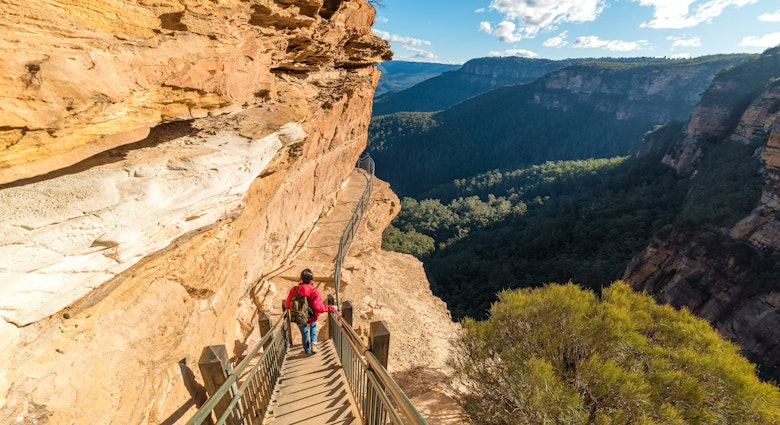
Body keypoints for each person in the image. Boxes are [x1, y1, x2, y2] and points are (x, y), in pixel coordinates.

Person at [284, 268, 334, 355]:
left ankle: (307, 351)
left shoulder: (294, 290)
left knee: (304, 333)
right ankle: (313, 345)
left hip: (299, 316)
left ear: (301, 278)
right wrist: (331, 307)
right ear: (312, 279)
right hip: (311, 315)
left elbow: (287, 305)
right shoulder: (314, 291)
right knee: (313, 327)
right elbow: (318, 308)